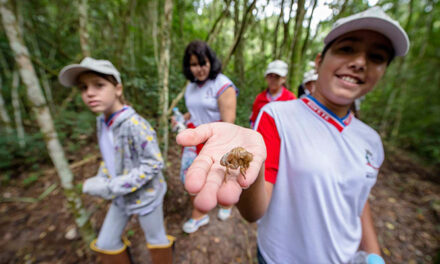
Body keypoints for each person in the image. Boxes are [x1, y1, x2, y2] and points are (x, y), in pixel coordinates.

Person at [176, 6, 409, 263]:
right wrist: (251, 170)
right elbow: (255, 210)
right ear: (320, 61)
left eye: (376, 57)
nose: (360, 62)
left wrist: (374, 254)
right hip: (280, 256)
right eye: (346, 49)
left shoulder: (372, 141)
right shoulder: (277, 115)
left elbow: (358, 199)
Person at [58, 57, 175, 264]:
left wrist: (112, 186)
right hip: (122, 197)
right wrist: (102, 177)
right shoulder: (102, 122)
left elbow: (155, 163)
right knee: (106, 243)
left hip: (146, 197)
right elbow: (111, 156)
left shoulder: (134, 124)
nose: (90, 93)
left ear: (118, 89)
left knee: (156, 239)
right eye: (83, 88)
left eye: (99, 85)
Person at [177, 40, 239, 234]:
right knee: (190, 176)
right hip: (193, 138)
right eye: (194, 65)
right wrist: (182, 118)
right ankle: (200, 214)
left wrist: (215, 147)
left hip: (214, 139)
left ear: (210, 62)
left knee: (218, 176)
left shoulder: (222, 84)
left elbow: (228, 122)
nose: (199, 69)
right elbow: (194, 111)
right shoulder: (191, 86)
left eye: (202, 63)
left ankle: (226, 204)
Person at [249, 60, 296, 129]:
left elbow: (293, 123)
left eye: (277, 76)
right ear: (266, 77)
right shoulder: (260, 98)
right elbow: (253, 121)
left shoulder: (290, 99)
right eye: (270, 76)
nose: (273, 80)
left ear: (283, 79)